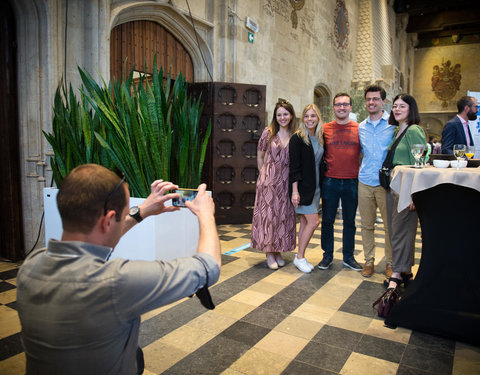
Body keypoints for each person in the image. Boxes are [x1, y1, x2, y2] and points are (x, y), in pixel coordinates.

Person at [16, 164, 221, 375]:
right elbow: (208, 267)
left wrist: (140, 212)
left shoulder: (31, 265)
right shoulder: (115, 282)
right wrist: (206, 215)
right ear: (107, 221)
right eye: (122, 215)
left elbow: (98, 240)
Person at [384, 94, 427, 293]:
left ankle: (397, 273)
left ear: (411, 109)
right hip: (394, 185)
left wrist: (414, 193)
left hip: (406, 188)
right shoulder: (397, 131)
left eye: (402, 106)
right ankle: (406, 271)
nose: (397, 109)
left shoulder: (414, 130)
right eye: (395, 106)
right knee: (397, 230)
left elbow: (420, 163)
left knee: (401, 231)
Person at [251, 100, 297, 269]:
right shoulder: (268, 133)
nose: (282, 117)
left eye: (285, 114)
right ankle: (269, 252)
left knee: (282, 217)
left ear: (291, 115)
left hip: (286, 181)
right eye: (279, 115)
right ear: (275, 117)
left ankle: (278, 250)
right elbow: (260, 157)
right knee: (268, 217)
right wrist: (264, 177)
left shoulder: (295, 134)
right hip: (268, 182)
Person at [318, 93, 362, 271]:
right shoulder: (325, 128)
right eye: (338, 105)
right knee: (327, 220)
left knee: (350, 221)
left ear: (350, 107)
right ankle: (327, 256)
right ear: (333, 107)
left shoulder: (359, 128)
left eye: (345, 104)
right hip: (330, 180)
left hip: (352, 180)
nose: (342, 107)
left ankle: (348, 257)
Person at [358, 85, 395, 278]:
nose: (371, 102)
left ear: (383, 101)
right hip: (364, 181)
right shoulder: (361, 126)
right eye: (368, 99)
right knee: (366, 225)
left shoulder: (392, 124)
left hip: (385, 183)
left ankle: (390, 262)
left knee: (389, 226)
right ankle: (369, 260)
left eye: (375, 99)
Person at [289, 104, 324, 273]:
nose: (310, 119)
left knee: (305, 221)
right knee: (313, 221)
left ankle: (300, 256)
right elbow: (294, 167)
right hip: (303, 187)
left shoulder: (319, 137)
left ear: (318, 118)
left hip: (316, 187)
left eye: (313, 116)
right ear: (303, 119)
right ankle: (300, 257)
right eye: (307, 116)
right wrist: (295, 191)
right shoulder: (298, 138)